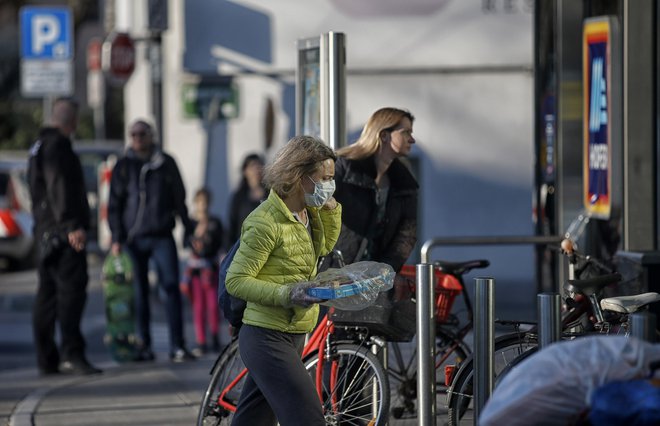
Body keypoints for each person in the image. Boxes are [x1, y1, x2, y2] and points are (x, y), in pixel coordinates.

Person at [226, 135, 342, 426]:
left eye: (332, 177)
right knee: (308, 417)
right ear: (299, 177)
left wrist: (331, 211)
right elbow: (237, 280)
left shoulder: (309, 213)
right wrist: (289, 294)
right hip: (265, 335)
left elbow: (324, 247)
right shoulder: (265, 221)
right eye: (324, 178)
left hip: (295, 331)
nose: (329, 184)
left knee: (253, 419)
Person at [107, 119, 194, 363]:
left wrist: (188, 230)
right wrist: (116, 237)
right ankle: (143, 345)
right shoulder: (123, 166)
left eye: (142, 134)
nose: (137, 138)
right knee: (139, 293)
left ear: (151, 135)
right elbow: (114, 205)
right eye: (133, 134)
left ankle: (178, 345)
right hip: (133, 240)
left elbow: (180, 199)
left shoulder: (165, 163)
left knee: (170, 288)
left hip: (161, 235)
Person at [27, 98, 102, 376]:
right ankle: (72, 354)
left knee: (46, 295)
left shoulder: (38, 146)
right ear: (71, 121)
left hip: (45, 233)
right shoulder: (58, 146)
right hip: (63, 234)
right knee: (71, 294)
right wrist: (72, 225)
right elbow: (58, 183)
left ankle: (47, 359)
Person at [329, 107, 418, 273]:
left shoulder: (405, 182)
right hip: (333, 277)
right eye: (405, 132)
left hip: (374, 282)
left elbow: (407, 234)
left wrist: (385, 270)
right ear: (384, 135)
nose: (412, 139)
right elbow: (313, 213)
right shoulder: (342, 167)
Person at [180, 187, 224, 356]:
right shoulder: (191, 223)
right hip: (196, 271)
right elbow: (185, 243)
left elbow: (220, 242)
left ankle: (214, 337)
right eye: (199, 203)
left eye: (205, 202)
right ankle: (201, 340)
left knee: (213, 305)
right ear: (195, 204)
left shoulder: (215, 222)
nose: (202, 206)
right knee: (198, 306)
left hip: (210, 269)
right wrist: (197, 233)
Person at [228, 153, 266, 245]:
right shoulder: (239, 196)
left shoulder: (271, 193)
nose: (257, 169)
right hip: (244, 247)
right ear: (245, 171)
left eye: (259, 165)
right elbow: (232, 224)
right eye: (253, 166)